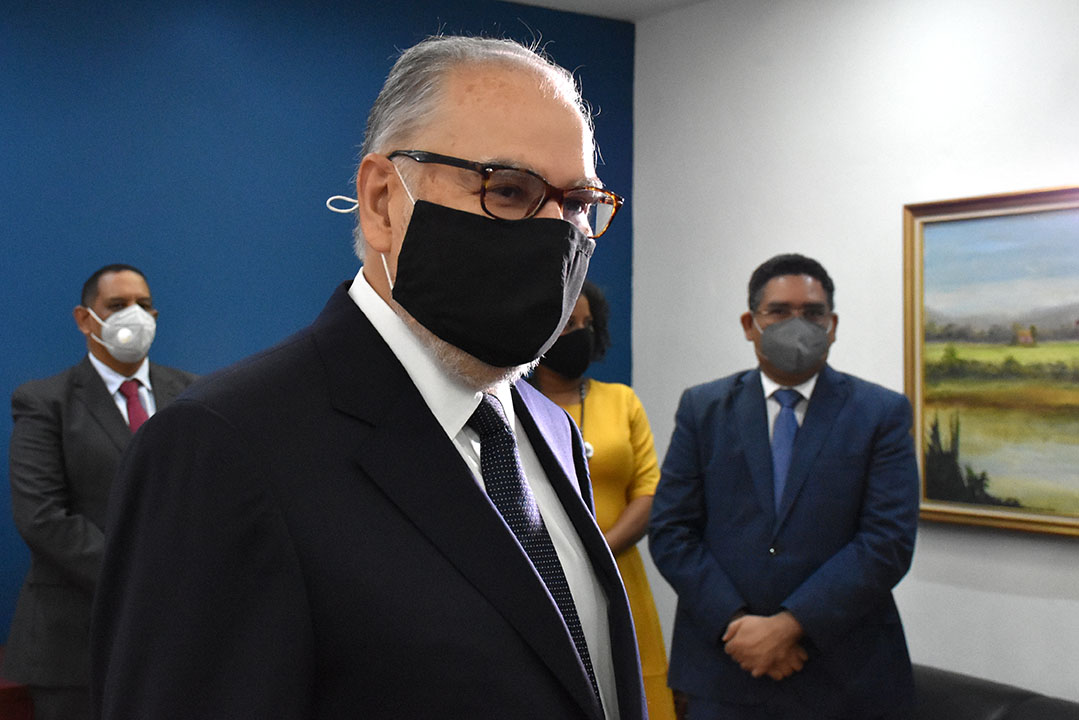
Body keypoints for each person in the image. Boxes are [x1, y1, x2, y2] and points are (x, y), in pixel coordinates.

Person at [90, 36, 645, 720]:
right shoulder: (224, 448)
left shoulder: (550, 429)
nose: (558, 234)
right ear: (383, 202)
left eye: (578, 203)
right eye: (508, 190)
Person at [649, 253, 919, 720]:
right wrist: (739, 626)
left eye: (812, 313)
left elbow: (887, 541)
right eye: (778, 311)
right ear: (750, 324)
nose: (798, 325)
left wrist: (792, 626)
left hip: (846, 673)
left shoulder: (881, 413)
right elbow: (672, 531)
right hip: (726, 667)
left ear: (833, 325)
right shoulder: (702, 408)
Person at [4, 264, 197, 720]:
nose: (136, 315)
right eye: (117, 305)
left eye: (144, 305)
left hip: (175, 640)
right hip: (74, 645)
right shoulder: (44, 401)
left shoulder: (193, 394)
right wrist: (138, 575)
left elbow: (207, 499)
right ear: (85, 319)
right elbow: (41, 517)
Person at [531, 280, 676, 720]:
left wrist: (599, 551)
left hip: (620, 574)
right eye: (568, 323)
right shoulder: (512, 405)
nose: (581, 333)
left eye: (588, 324)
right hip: (542, 582)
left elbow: (649, 490)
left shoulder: (622, 401)